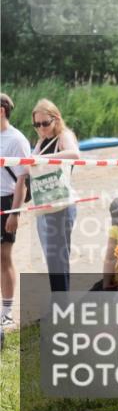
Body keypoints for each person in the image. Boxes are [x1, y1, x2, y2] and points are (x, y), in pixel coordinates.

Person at [29, 99, 81, 292]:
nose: (41, 128)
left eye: (45, 123)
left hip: (62, 204)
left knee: (57, 257)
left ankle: (61, 304)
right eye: (37, 124)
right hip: (45, 202)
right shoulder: (42, 141)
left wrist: (42, 158)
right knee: (52, 257)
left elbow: (74, 154)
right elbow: (30, 164)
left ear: (56, 118)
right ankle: (59, 302)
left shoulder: (63, 136)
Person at [0, 94, 31, 326]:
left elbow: (23, 180)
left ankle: (7, 311)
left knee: (4, 256)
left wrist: (14, 212)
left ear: (2, 111)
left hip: (6, 201)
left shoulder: (17, 140)